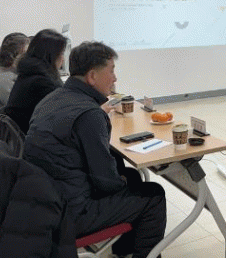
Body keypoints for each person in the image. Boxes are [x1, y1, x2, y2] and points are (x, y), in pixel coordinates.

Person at [23, 41, 166, 258]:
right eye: (111, 71)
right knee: (154, 195)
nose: (115, 79)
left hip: (43, 204)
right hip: (70, 215)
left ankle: (123, 251)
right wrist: (120, 181)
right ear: (92, 76)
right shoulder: (89, 115)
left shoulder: (51, 99)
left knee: (131, 176)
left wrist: (123, 180)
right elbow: (105, 182)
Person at [3, 29, 67, 133]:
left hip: (23, 133)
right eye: (61, 53)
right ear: (52, 55)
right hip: (35, 136)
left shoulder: (28, 73)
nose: (63, 59)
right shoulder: (44, 84)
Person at [0, 32, 30, 107]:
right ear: (12, 56)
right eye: (24, 54)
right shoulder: (4, 80)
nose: (29, 58)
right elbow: (23, 107)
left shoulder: (5, 75)